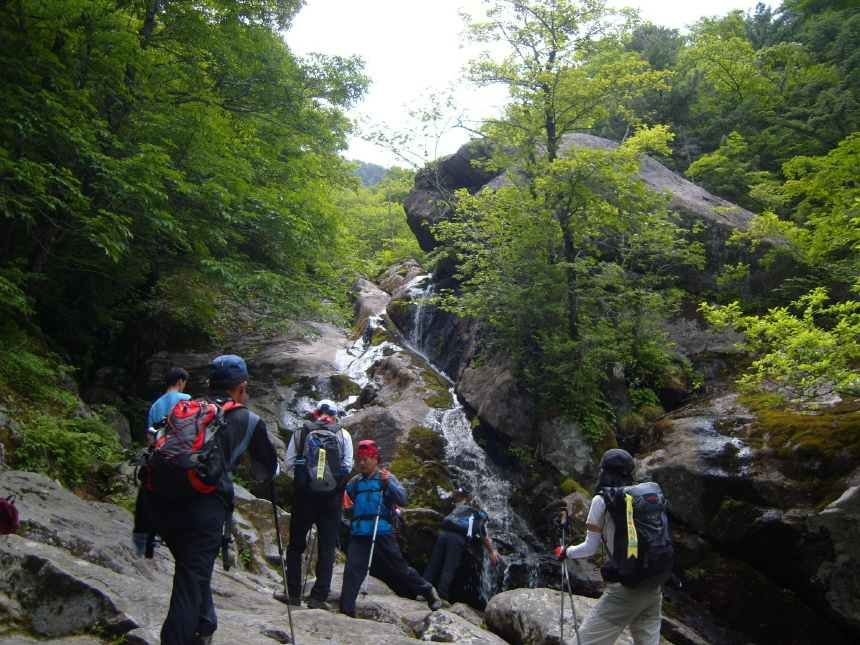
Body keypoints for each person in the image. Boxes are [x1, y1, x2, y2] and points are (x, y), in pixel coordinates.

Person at [143, 355, 279, 645]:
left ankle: (206, 624)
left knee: (192, 567)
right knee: (189, 581)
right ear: (242, 387)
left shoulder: (185, 407)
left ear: (207, 383)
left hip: (159, 502)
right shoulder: (248, 419)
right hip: (201, 509)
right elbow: (267, 471)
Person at [555, 449, 664, 645]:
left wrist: (565, 552)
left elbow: (590, 548)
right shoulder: (642, 496)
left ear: (604, 472)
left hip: (625, 591)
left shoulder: (602, 500)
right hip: (653, 587)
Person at [339, 439, 442, 617]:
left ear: (376, 459)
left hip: (382, 532)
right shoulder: (356, 481)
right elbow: (344, 499)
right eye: (360, 459)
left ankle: (428, 591)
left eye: (366, 459)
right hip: (359, 533)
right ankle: (346, 611)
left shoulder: (387, 478)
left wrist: (389, 484)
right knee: (351, 572)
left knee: (400, 568)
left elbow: (403, 500)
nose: (362, 463)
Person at [282, 399, 354, 610]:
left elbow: (288, 464)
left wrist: (307, 475)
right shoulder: (343, 434)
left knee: (295, 545)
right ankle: (318, 597)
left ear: (315, 413)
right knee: (326, 548)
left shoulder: (301, 432)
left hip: (304, 497)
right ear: (334, 415)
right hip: (331, 500)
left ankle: (293, 593)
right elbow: (348, 465)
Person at [423, 505, 500, 604]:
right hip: (456, 540)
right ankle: (442, 596)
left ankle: (422, 592)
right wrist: (492, 552)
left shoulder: (461, 517)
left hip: (443, 536)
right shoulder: (479, 523)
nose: (484, 523)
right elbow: (485, 540)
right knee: (449, 568)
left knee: (433, 564)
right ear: (482, 518)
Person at [147, 367, 191, 444]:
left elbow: (151, 435)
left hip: (161, 449)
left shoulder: (155, 405)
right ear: (180, 382)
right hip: (179, 446)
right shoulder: (185, 398)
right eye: (185, 383)